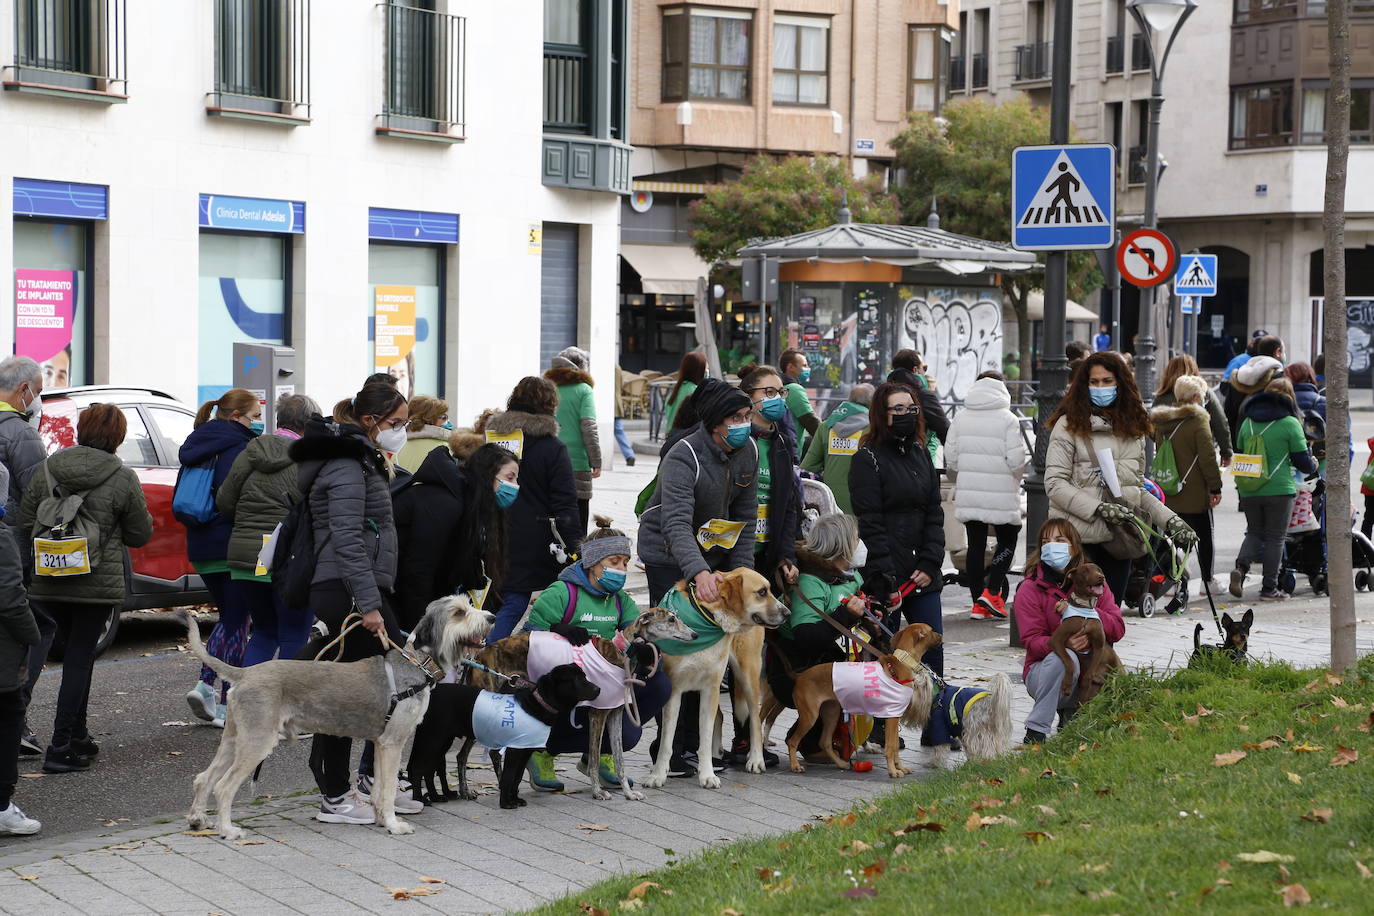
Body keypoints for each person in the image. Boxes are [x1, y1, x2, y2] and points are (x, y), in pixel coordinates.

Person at [290, 382, 411, 825]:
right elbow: (347, 539)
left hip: (352, 586)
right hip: (345, 587)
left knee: (363, 689)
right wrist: (368, 603)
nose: (400, 431)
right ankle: (338, 795)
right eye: (396, 423)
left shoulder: (360, 459)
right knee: (353, 693)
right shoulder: (346, 465)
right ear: (369, 421)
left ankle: (363, 787)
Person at [19, 404, 152, 773]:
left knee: (75, 657)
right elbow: (141, 534)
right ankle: (60, 745)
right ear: (118, 436)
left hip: (48, 576)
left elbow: (27, 520)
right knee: (79, 658)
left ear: (82, 430)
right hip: (95, 581)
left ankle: (78, 735)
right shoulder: (122, 477)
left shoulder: (49, 468)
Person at [636, 377, 756, 776]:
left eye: (746, 415)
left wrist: (744, 575)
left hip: (714, 551)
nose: (744, 423)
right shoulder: (683, 454)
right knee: (677, 649)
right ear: (714, 423)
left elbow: (746, 518)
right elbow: (675, 521)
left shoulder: (748, 450)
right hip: (669, 553)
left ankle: (693, 748)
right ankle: (667, 749)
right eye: (736, 417)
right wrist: (699, 573)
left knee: (708, 652)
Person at [521, 518, 666, 792]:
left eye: (625, 562)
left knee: (658, 684)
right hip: (561, 686)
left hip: (602, 683)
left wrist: (646, 650)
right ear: (593, 563)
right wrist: (555, 629)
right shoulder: (562, 592)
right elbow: (527, 644)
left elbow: (635, 633)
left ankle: (599, 756)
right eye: (614, 562)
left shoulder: (621, 601)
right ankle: (541, 750)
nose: (622, 569)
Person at [1045, 352, 1192, 602]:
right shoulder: (1067, 425)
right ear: (1084, 385)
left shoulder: (1132, 429)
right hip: (1078, 540)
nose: (1100, 387)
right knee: (1076, 618)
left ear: (1120, 384)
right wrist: (1099, 508)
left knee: (1109, 619)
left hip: (1119, 540)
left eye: (1107, 381)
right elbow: (1055, 484)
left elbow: (1136, 489)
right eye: (1094, 382)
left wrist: (1172, 522)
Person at [849, 381, 946, 677]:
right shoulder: (867, 459)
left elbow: (934, 512)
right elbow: (870, 522)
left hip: (923, 574)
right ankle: (882, 723)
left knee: (932, 659)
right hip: (886, 580)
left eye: (911, 408)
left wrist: (931, 560)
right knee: (887, 660)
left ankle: (934, 721)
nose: (907, 414)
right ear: (882, 413)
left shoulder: (920, 453)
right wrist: (888, 577)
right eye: (898, 408)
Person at [216, 394, 320, 667]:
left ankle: (247, 705)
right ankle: (286, 706)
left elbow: (225, 502)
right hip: (289, 559)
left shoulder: (250, 451)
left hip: (248, 558)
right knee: (294, 635)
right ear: (308, 426)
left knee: (264, 633)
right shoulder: (309, 460)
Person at [179, 389, 259, 727]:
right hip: (228, 542)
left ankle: (204, 685)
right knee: (238, 622)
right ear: (237, 415)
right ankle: (227, 701)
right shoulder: (238, 447)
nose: (257, 422)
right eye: (254, 416)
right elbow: (232, 497)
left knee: (230, 618)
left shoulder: (197, 440)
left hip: (199, 544)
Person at [484, 377, 582, 643]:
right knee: (516, 599)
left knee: (490, 597)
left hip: (490, 530)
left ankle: (470, 653)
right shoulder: (552, 447)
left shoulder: (495, 441)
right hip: (533, 537)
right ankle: (485, 658)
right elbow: (565, 501)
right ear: (550, 405)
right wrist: (575, 545)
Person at [1013, 519, 1124, 744]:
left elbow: (1118, 629)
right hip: (1044, 672)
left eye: (1060, 540)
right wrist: (1065, 644)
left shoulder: (1094, 580)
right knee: (1063, 659)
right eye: (1046, 541)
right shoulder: (1030, 588)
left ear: (1074, 546)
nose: (1052, 546)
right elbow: (1031, 641)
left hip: (1090, 671)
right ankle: (1036, 731)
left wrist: (1087, 613)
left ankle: (1076, 715)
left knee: (1109, 662)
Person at [392, 440, 515, 630]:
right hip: (394, 591)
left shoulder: (470, 505)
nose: (515, 486)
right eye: (510, 477)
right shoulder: (445, 503)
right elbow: (418, 571)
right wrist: (421, 631)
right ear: (488, 474)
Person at [773, 513, 866, 756]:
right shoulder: (810, 581)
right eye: (856, 538)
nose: (860, 544)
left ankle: (854, 734)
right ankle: (809, 742)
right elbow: (807, 638)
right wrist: (846, 616)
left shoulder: (852, 575)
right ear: (842, 546)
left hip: (831, 657)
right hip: (796, 667)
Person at [0, 356, 53, 756]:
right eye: (38, 391)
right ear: (24, 391)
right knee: (34, 628)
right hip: (12, 548)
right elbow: (40, 496)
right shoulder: (20, 434)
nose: (38, 400)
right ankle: (15, 715)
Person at [946, 371, 1027, 620]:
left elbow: (952, 459)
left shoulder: (960, 418)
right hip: (1001, 492)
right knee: (1008, 538)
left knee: (975, 545)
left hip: (970, 492)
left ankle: (977, 603)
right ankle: (992, 592)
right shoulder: (1009, 419)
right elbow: (1016, 460)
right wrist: (1016, 475)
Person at [1229, 376, 1317, 601]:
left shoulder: (1247, 421)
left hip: (1249, 488)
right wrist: (1314, 463)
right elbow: (1303, 464)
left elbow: (1240, 451)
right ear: (1289, 398)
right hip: (1279, 489)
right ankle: (1269, 588)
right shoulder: (1290, 423)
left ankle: (1240, 568)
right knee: (1275, 538)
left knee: (1255, 531)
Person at [1150, 376, 1223, 589]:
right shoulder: (1198, 420)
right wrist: (1215, 486)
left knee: (1173, 537)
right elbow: (1207, 457)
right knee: (1203, 538)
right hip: (1195, 491)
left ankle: (1172, 582)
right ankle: (1207, 581)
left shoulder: (1162, 420)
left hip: (1169, 489)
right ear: (1195, 397)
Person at [0, 464, 42, 835]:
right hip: (2, 651)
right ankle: (1, 806)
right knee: (9, 717)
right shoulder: (1, 538)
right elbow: (11, 600)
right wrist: (32, 634)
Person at [739, 365, 802, 590]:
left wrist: (786, 556)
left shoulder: (782, 444)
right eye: (768, 392)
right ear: (749, 397)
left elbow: (789, 507)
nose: (777, 398)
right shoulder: (736, 441)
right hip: (733, 556)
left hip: (767, 555)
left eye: (781, 392)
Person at [545, 347, 602, 535]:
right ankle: (578, 556)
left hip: (550, 459)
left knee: (553, 510)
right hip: (578, 461)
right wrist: (596, 461)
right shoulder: (584, 389)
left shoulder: (548, 387)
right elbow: (589, 427)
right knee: (579, 512)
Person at [800, 384, 872, 513]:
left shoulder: (826, 426)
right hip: (864, 506)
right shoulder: (874, 428)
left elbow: (808, 467)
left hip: (830, 507)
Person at [1153, 354, 1233, 467]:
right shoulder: (1205, 394)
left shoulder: (1160, 397)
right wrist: (1226, 452)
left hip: (1168, 458)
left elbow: (1152, 429)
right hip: (1198, 456)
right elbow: (1220, 422)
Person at [1222, 337, 1284, 434]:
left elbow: (1228, 415)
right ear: (1278, 352)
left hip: (1240, 440)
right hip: (1271, 441)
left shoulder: (1237, 376)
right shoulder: (1280, 379)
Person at [888, 350, 950, 445]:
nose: (924, 372)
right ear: (915, 370)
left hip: (883, 454)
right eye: (923, 368)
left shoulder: (882, 392)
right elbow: (943, 428)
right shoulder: (923, 395)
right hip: (912, 452)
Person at [392, 395, 450, 474]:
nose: (447, 421)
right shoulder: (448, 448)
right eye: (444, 417)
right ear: (430, 419)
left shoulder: (395, 449)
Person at [778, 348, 820, 442]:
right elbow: (811, 422)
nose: (808, 369)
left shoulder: (781, 386)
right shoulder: (794, 389)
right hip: (792, 447)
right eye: (804, 365)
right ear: (791, 367)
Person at [661, 352, 707, 435]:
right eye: (705, 369)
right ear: (700, 370)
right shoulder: (694, 391)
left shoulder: (678, 388)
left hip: (671, 435)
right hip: (683, 436)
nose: (706, 371)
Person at [612, 365, 636, 467]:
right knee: (619, 431)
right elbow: (622, 385)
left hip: (605, 404)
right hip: (616, 402)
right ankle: (629, 455)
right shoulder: (617, 367)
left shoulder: (600, 364)